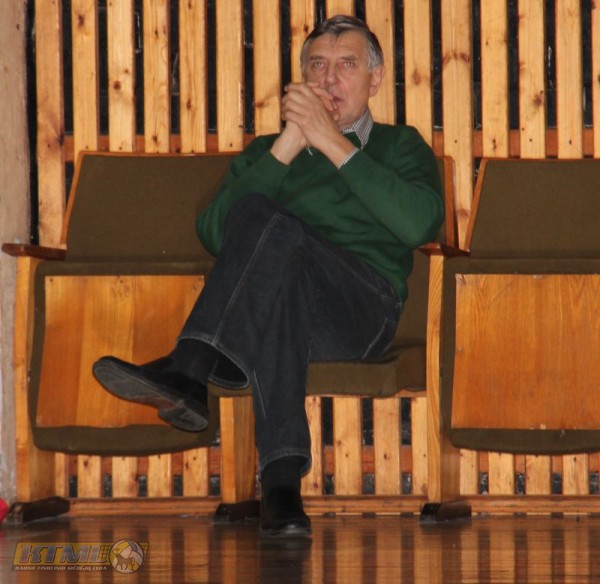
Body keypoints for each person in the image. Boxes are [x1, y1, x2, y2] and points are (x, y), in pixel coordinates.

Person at [93, 15, 443, 538]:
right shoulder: (266, 152)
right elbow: (216, 232)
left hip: (361, 309)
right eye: (316, 65)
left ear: (374, 80)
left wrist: (331, 142)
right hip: (280, 305)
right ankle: (281, 487)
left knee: (279, 234)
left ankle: (193, 365)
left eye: (346, 65)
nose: (329, 78)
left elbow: (419, 224)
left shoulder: (400, 145)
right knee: (273, 261)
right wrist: (288, 144)